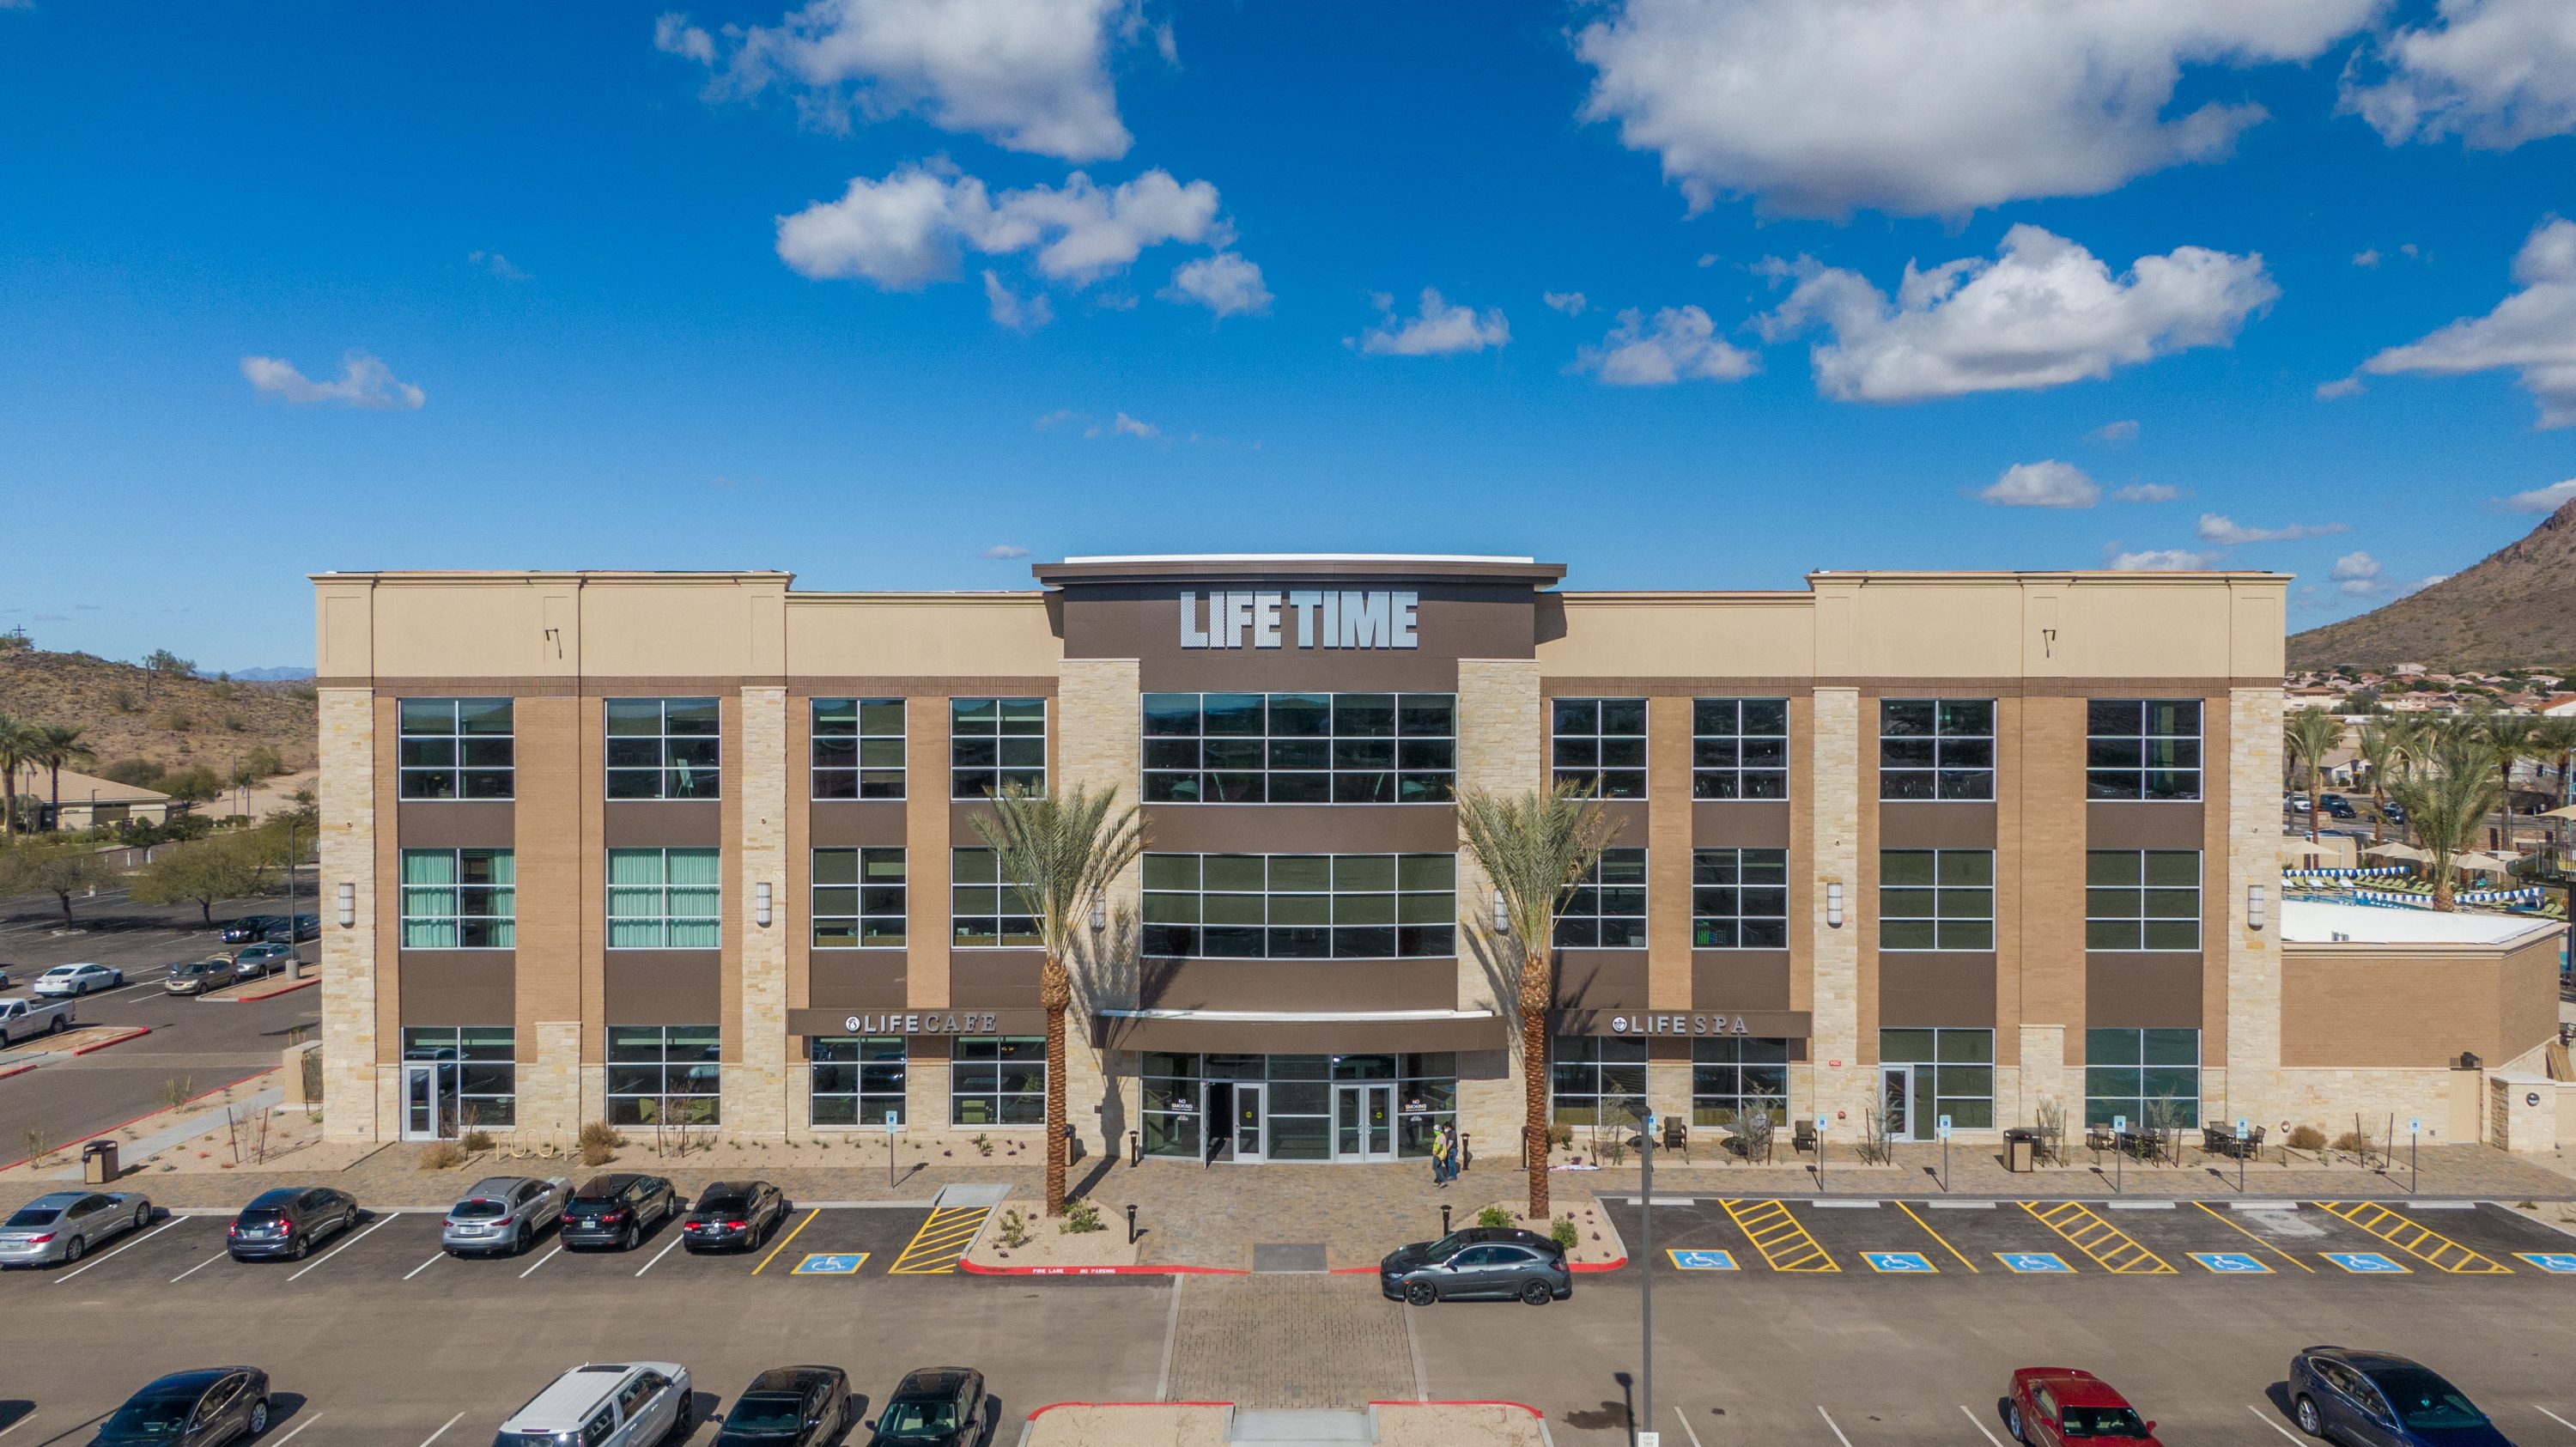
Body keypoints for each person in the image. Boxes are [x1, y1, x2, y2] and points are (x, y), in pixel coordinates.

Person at [1429, 1122, 1451, 1187]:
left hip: (1439, 1155)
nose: (1434, 1131)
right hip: (1440, 1155)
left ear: (1437, 1131)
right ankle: (1439, 1182)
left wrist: (1436, 1152)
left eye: (1434, 1130)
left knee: (1436, 1168)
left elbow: (1441, 1147)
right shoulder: (1440, 1136)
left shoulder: (1441, 1137)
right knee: (1439, 1167)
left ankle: (1443, 1180)